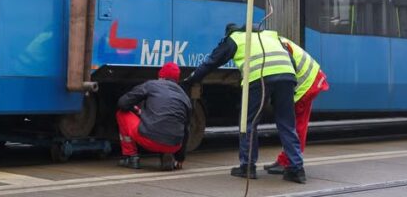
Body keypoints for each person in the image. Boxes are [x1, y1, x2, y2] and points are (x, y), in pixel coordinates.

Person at [184, 24, 306, 183]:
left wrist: (191, 80)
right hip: (287, 76)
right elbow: (291, 59)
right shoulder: (269, 35)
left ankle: (247, 167)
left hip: (260, 77)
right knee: (286, 123)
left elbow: (211, 62)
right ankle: (296, 169)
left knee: (248, 123)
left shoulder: (235, 38)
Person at [264, 38, 329, 175]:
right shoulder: (272, 41)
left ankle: (289, 161)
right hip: (308, 80)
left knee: (295, 125)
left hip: (306, 84)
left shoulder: (271, 45)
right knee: (293, 124)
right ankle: (286, 159)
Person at [115, 62, 192, 171]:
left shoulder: (151, 85)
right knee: (168, 124)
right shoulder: (185, 97)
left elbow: (123, 103)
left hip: (150, 140)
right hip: (174, 146)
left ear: (160, 75)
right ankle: (167, 153)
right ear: (177, 79)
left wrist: (136, 110)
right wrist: (180, 158)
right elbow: (186, 130)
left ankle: (131, 157)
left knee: (122, 113)